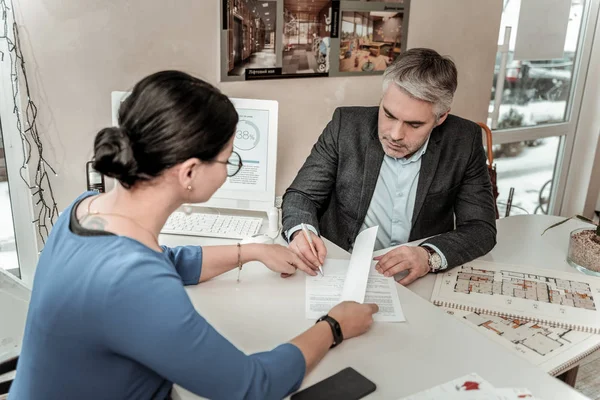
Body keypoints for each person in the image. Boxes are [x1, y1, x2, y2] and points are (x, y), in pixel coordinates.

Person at [9, 71, 378, 400]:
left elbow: (166, 260)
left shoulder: (84, 209)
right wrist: (334, 326)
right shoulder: (135, 283)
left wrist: (250, 250)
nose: (228, 170)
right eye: (228, 159)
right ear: (189, 172)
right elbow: (251, 386)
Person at [282, 48, 497, 286]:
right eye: (389, 114)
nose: (395, 134)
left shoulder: (464, 141)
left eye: (414, 124)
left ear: (441, 118)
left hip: (416, 280)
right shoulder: (346, 126)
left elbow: (481, 228)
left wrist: (429, 256)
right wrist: (302, 232)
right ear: (382, 100)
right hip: (340, 268)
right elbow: (301, 195)